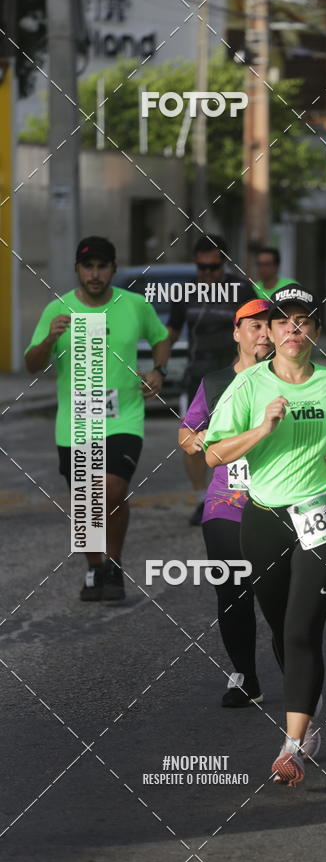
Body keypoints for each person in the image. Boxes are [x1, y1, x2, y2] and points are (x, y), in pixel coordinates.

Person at [203, 285, 326, 786]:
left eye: (304, 321)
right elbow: (213, 453)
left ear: (315, 330)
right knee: (280, 628)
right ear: (269, 332)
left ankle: (294, 743)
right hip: (264, 519)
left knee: (301, 630)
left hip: (323, 516)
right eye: (284, 322)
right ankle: (307, 706)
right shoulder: (248, 386)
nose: (295, 330)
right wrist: (262, 431)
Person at [25, 236, 170, 601]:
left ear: (113, 270)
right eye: (88, 266)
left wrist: (159, 371)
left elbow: (161, 337)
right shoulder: (57, 310)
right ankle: (96, 569)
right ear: (77, 269)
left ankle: (114, 563)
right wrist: (49, 340)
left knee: (112, 489)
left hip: (123, 416)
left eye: (102, 266)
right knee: (84, 500)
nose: (95, 273)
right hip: (74, 423)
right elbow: (31, 364)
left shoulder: (134, 305)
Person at [178, 299, 272, 707]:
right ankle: (245, 675)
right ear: (237, 333)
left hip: (279, 502)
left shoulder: (290, 380)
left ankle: (298, 673)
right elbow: (186, 430)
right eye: (255, 327)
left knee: (277, 593)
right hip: (226, 501)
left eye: (271, 326)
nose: (264, 334)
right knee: (233, 590)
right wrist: (195, 440)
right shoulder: (215, 383)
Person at [167, 234, 254, 526]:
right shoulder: (186, 292)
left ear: (224, 265)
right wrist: (159, 367)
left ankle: (243, 496)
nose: (207, 275)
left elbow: (258, 329)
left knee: (238, 435)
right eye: (201, 269)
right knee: (191, 439)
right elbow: (171, 332)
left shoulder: (242, 290)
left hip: (236, 376)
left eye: (213, 269)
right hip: (198, 376)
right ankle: (202, 496)